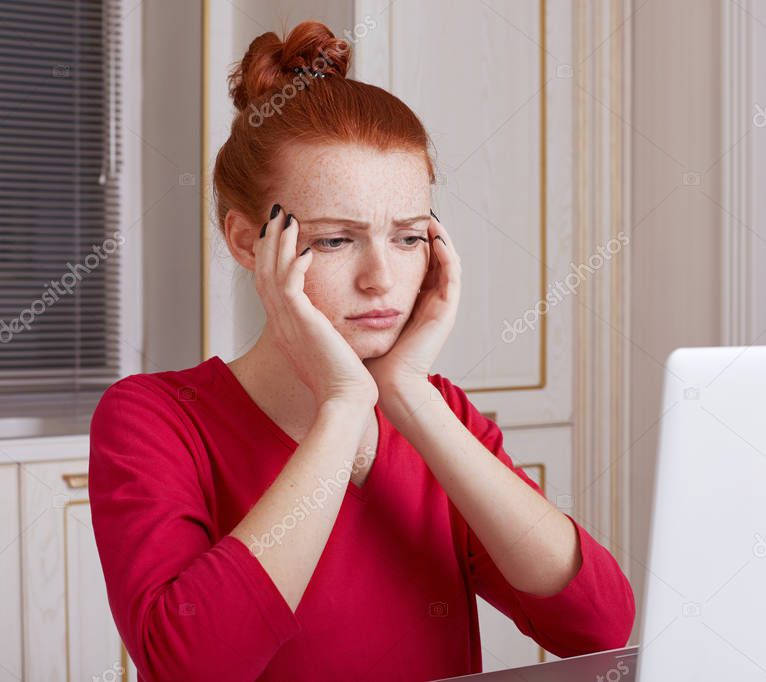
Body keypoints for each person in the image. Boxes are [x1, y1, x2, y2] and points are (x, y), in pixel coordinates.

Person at [88, 20, 634, 682]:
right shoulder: (155, 418)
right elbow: (195, 668)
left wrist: (406, 396)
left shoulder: (439, 416)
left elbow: (596, 626)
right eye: (335, 240)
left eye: (407, 238)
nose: (381, 278)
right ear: (244, 240)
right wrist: (344, 407)